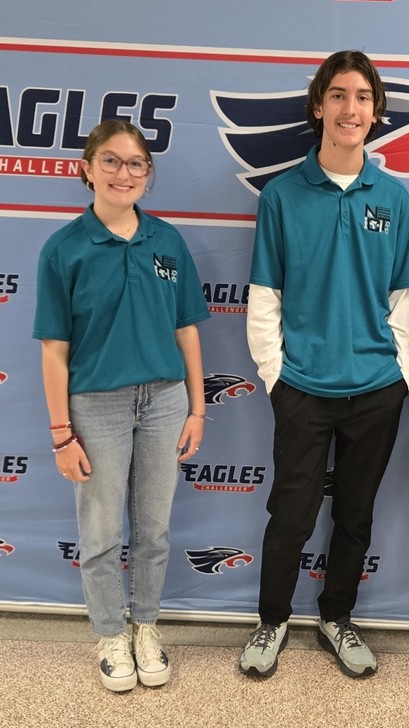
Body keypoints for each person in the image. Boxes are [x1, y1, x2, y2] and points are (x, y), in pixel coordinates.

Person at [240, 50, 409, 678]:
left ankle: (336, 617)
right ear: (319, 106)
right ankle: (271, 622)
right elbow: (265, 295)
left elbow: (405, 297)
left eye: (363, 97)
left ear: (376, 112)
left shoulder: (393, 198)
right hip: (303, 389)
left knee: (355, 514)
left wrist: (400, 372)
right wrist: (276, 376)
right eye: (339, 95)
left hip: (376, 388)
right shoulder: (283, 196)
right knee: (290, 513)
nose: (352, 108)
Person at [33, 119, 209, 693]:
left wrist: (198, 407)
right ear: (86, 169)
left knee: (154, 530)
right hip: (96, 407)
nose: (123, 173)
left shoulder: (168, 241)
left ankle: (147, 627)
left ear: (148, 175)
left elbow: (187, 330)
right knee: (103, 530)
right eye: (110, 160)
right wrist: (61, 433)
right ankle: (111, 633)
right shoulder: (64, 249)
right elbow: (55, 353)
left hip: (164, 401)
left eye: (136, 163)